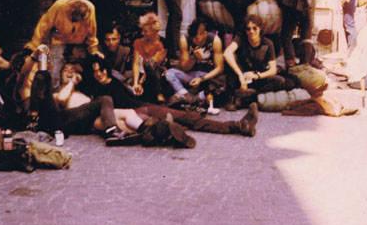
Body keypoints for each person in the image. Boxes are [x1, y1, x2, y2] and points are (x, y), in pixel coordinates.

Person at [90, 57, 259, 137]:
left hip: (144, 106)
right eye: (95, 72)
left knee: (188, 118)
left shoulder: (115, 80)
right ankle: (238, 126)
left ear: (106, 69)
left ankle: (238, 126)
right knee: (185, 119)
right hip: (138, 112)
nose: (98, 74)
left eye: (100, 70)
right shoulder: (98, 91)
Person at [29, 62, 141, 144]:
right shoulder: (58, 92)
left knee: (127, 113)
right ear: (60, 75)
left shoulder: (82, 90)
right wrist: (72, 81)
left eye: (72, 70)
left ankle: (145, 132)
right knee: (105, 99)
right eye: (66, 70)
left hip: (92, 120)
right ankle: (112, 131)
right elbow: (62, 99)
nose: (69, 72)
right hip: (68, 120)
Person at [24, 0, 103, 88]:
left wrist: (93, 49)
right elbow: (43, 25)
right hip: (59, 39)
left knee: (91, 64)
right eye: (76, 19)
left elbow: (92, 30)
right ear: (71, 9)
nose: (78, 22)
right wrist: (34, 45)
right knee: (54, 66)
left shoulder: (90, 8)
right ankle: (54, 91)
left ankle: (86, 92)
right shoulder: (59, 5)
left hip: (80, 41)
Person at [223, 15, 295, 111]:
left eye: (254, 28)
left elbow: (273, 70)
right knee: (230, 60)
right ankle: (233, 97)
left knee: (280, 81)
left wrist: (257, 76)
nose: (251, 32)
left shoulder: (267, 43)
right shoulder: (241, 39)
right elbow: (227, 53)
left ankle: (248, 97)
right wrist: (240, 75)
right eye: (248, 29)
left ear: (260, 29)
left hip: (258, 77)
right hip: (241, 78)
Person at [164, 18, 226, 106]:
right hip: (190, 75)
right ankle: (187, 96)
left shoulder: (215, 40)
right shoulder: (184, 39)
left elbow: (219, 68)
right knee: (169, 73)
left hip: (208, 76)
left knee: (221, 87)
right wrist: (193, 58)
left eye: (197, 38)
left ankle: (189, 98)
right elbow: (184, 67)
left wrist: (202, 79)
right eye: (193, 38)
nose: (194, 41)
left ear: (204, 34)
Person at [132, 12, 167, 103]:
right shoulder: (138, 42)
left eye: (146, 31)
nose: (142, 33)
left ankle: (160, 94)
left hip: (156, 75)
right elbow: (136, 63)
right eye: (142, 30)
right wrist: (135, 83)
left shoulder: (162, 44)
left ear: (154, 31)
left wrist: (140, 82)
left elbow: (152, 66)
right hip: (141, 73)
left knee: (149, 64)